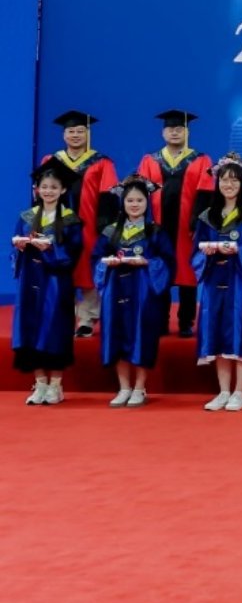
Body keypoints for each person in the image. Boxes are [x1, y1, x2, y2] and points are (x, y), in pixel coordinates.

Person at [192, 154, 242, 412]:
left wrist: (239, 249)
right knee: (216, 332)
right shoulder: (207, 216)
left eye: (235, 180)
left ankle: (239, 392)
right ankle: (223, 391)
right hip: (215, 280)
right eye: (225, 180)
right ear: (217, 182)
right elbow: (195, 250)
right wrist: (207, 251)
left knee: (240, 330)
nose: (229, 185)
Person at [94, 175, 174, 408]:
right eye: (130, 200)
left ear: (147, 202)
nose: (135, 204)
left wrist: (148, 262)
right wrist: (106, 263)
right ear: (123, 203)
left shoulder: (155, 231)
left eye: (139, 200)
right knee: (117, 335)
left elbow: (168, 261)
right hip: (115, 289)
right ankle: (124, 387)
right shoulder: (111, 232)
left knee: (142, 336)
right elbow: (96, 258)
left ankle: (139, 387)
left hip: (143, 292)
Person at [136, 109, 214, 338]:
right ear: (163, 133)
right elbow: (140, 194)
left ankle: (185, 321)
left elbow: (205, 193)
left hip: (187, 227)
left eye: (179, 128)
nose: (175, 132)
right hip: (158, 226)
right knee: (159, 270)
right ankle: (160, 320)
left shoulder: (201, 160)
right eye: (170, 128)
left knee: (187, 272)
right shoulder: (150, 160)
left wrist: (196, 222)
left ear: (187, 132)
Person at [11, 159, 83, 405]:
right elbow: (15, 251)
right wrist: (21, 247)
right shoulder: (26, 217)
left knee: (55, 329)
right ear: (37, 189)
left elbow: (73, 253)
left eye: (53, 187)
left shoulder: (71, 220)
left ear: (63, 190)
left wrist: (50, 249)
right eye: (44, 186)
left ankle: (55, 386)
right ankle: (40, 383)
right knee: (30, 328)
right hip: (30, 280)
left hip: (56, 282)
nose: (48, 191)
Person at [45, 110, 118, 338]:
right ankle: (61, 317)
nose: (75, 135)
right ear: (64, 135)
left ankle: (86, 319)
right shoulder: (52, 161)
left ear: (88, 134)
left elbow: (109, 194)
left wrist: (104, 223)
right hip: (59, 225)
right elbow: (42, 193)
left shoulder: (101, 162)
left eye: (80, 131)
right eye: (71, 131)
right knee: (59, 266)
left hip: (89, 225)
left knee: (88, 268)